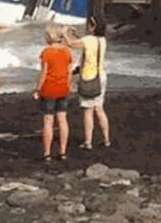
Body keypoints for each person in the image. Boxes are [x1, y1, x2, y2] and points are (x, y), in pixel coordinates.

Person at [65, 19, 111, 150]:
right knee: (99, 109)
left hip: (89, 77)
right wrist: (74, 35)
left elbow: (71, 44)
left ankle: (88, 142)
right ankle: (106, 139)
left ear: (93, 27)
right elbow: (86, 43)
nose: (87, 27)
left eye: (89, 25)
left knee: (88, 111)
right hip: (101, 75)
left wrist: (65, 32)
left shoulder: (88, 40)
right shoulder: (102, 40)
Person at [35, 26, 73, 161]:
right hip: (63, 87)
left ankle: (47, 152)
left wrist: (37, 89)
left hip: (49, 88)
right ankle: (62, 151)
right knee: (62, 119)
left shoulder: (47, 52)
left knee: (48, 120)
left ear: (50, 37)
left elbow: (43, 73)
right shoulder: (67, 51)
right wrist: (69, 86)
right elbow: (69, 72)